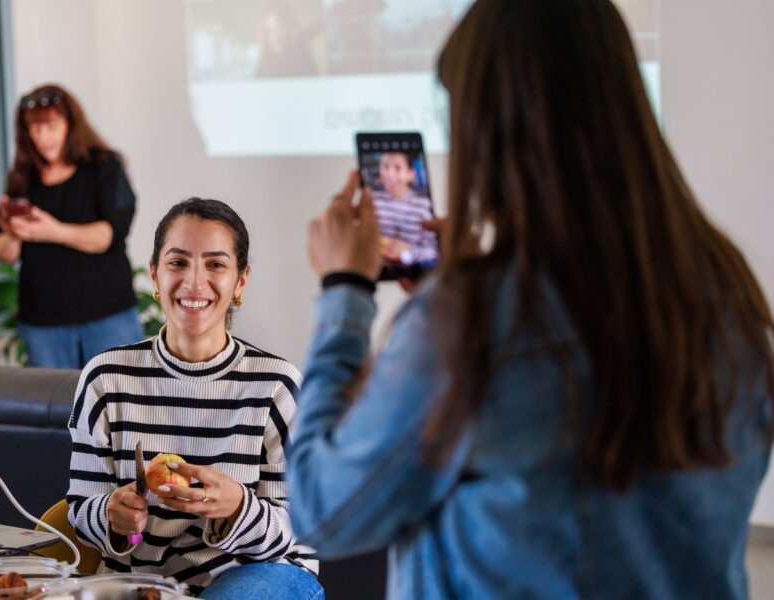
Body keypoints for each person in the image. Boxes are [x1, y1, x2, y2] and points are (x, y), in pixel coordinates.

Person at [288, 1, 774, 598]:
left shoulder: (467, 324)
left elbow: (323, 513)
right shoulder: (724, 290)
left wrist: (346, 292)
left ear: (490, 134)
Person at [66, 198, 321, 599]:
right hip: (141, 580)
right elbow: (81, 509)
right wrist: (112, 517)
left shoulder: (277, 386)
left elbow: (302, 532)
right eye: (178, 262)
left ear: (240, 281)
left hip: (257, 573)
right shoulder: (106, 378)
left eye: (216, 265)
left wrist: (238, 507)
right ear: (154, 275)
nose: (195, 282)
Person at [0, 83, 142, 368]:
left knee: (119, 403)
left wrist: (52, 231)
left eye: (50, 126)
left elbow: (109, 235)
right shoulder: (23, 178)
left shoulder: (103, 167)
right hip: (44, 325)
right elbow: (5, 253)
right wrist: (13, 232)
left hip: (107, 316)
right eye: (34, 129)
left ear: (70, 124)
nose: (42, 137)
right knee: (54, 408)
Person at [370, 151, 438, 267]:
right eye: (385, 166)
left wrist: (407, 253)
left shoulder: (423, 205)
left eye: (397, 168)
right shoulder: (372, 200)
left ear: (410, 174)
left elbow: (433, 251)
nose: (389, 174)